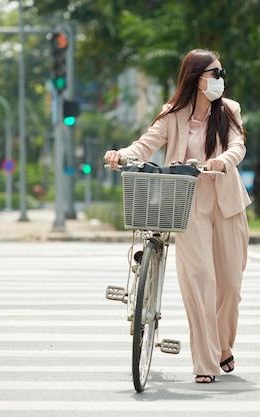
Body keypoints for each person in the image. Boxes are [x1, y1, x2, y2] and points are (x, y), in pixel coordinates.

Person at [104, 49, 251, 384]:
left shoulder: (228, 110)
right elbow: (144, 145)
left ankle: (223, 346)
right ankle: (205, 363)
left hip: (227, 201)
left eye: (221, 72)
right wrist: (121, 155)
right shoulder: (172, 115)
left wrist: (224, 161)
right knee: (200, 280)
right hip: (186, 203)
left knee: (229, 285)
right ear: (196, 77)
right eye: (214, 73)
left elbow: (237, 144)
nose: (220, 79)